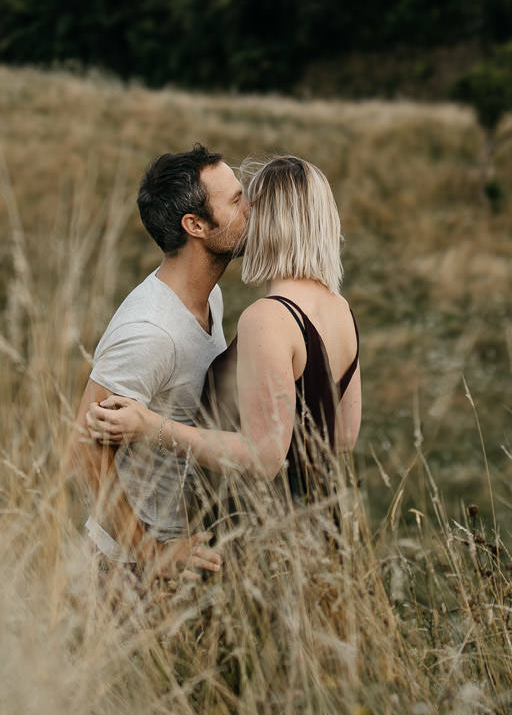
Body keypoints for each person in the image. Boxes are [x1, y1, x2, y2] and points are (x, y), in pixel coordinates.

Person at [86, 155, 360, 509]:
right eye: (237, 200)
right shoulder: (340, 309)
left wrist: (152, 426)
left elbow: (264, 458)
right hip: (321, 523)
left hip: (265, 532)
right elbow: (343, 437)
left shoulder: (265, 317)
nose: (246, 211)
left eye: (251, 202)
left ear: (273, 220)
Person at [65, 144, 249, 583]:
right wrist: (149, 553)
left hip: (186, 556)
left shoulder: (210, 297)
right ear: (196, 225)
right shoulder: (149, 331)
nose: (251, 210)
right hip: (126, 573)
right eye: (237, 201)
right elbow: (82, 450)